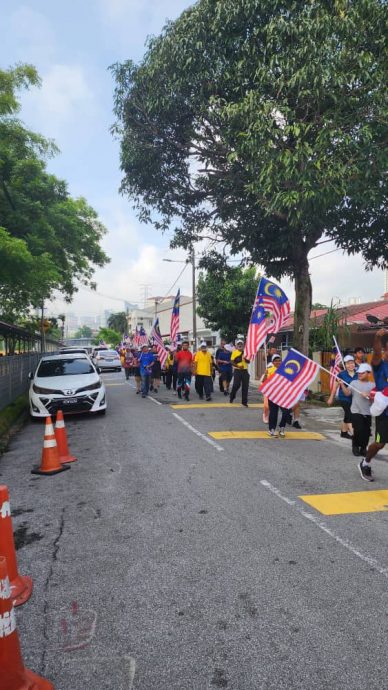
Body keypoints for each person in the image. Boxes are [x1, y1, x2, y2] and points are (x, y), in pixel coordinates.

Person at [359, 329, 388, 481]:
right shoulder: (380, 366)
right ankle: (365, 462)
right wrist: (377, 337)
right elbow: (376, 354)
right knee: (379, 443)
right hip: (384, 414)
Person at [340, 363, 374, 457]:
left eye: (362, 373)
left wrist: (369, 395)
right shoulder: (354, 383)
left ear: (368, 374)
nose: (359, 374)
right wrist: (342, 385)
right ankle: (355, 446)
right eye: (358, 373)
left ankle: (363, 448)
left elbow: (377, 398)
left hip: (367, 412)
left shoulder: (372, 385)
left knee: (366, 432)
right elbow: (347, 393)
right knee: (358, 430)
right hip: (355, 411)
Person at [327, 354, 356, 439]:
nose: (350, 365)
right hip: (344, 397)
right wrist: (331, 398)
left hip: (354, 398)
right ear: (345, 365)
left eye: (352, 363)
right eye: (348, 363)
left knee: (348, 415)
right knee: (349, 413)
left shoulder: (358, 374)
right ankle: (354, 434)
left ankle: (343, 432)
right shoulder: (341, 374)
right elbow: (335, 387)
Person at [262, 354, 290, 437]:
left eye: (279, 360)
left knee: (286, 412)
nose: (278, 362)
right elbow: (264, 382)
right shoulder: (269, 370)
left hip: (283, 395)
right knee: (273, 413)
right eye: (276, 360)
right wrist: (266, 374)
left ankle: (282, 428)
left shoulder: (285, 370)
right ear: (273, 362)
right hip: (273, 394)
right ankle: (272, 430)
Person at [230, 339, 250, 407]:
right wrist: (238, 366)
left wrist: (245, 358)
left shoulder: (246, 352)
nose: (240, 345)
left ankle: (244, 402)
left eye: (241, 344)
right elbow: (232, 362)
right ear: (236, 346)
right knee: (236, 385)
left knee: (245, 387)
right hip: (237, 371)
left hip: (245, 371)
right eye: (238, 344)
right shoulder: (234, 352)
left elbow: (248, 362)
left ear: (243, 345)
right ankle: (232, 396)